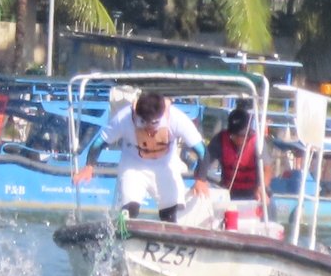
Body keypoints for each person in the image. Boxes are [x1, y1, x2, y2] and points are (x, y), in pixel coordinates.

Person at [71, 91, 209, 220]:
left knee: (172, 210)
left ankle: (168, 239)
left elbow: (202, 151)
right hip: (134, 165)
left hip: (165, 165)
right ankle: (125, 236)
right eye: (143, 122)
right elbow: (99, 142)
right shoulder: (123, 118)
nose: (149, 128)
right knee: (130, 208)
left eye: (154, 123)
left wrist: (201, 179)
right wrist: (89, 166)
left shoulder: (177, 119)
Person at [202, 102, 267, 203]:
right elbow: (205, 159)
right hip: (229, 192)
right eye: (234, 135)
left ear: (249, 132)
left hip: (253, 192)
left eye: (241, 136)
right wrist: (200, 179)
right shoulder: (220, 139)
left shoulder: (258, 142)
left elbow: (267, 168)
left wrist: (261, 187)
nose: (237, 139)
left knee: (268, 200)